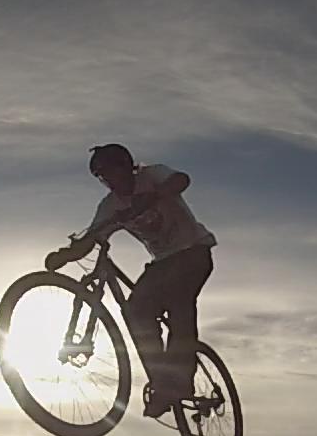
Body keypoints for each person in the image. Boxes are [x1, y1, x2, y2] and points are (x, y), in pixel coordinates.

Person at [45, 143, 216, 418]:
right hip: (163, 264)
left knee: (179, 301)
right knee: (135, 311)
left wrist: (152, 197)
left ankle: (181, 379)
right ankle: (163, 382)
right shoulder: (110, 205)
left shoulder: (152, 175)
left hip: (194, 253)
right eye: (102, 177)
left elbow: (181, 180)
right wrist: (63, 257)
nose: (109, 181)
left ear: (127, 166)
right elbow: (91, 238)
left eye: (111, 173)